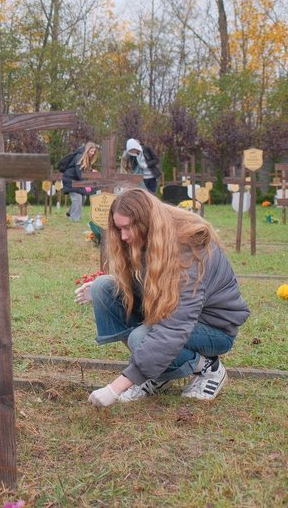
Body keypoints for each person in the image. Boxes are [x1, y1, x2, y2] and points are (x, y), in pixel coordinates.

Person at [75, 188, 250, 407]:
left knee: (141, 338)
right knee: (104, 287)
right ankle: (158, 372)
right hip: (170, 317)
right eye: (119, 228)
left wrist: (116, 387)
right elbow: (152, 285)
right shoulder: (152, 236)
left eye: (128, 227)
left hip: (212, 329)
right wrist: (113, 285)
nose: (124, 236)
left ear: (146, 221)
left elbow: (174, 327)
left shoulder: (190, 250)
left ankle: (208, 368)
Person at [61, 141, 99, 222]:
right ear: (87, 150)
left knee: (83, 197)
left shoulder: (85, 158)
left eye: (94, 151)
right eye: (91, 151)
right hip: (70, 180)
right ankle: (75, 219)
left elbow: (84, 169)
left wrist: (91, 171)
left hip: (77, 181)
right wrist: (86, 184)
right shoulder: (79, 157)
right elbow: (79, 173)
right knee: (77, 198)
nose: (92, 153)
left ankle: (70, 213)